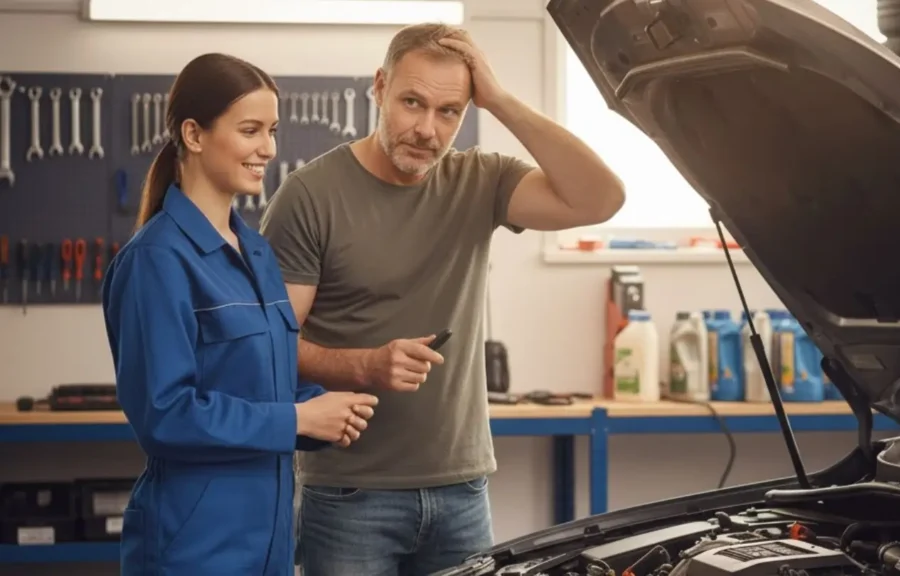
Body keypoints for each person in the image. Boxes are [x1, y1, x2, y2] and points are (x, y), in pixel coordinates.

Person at [259, 24, 625, 576]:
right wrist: (365, 365)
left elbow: (601, 198)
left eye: (450, 111)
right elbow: (268, 348)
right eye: (412, 102)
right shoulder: (310, 196)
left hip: (462, 490)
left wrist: (499, 99)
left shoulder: (480, 181)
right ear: (378, 88)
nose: (428, 129)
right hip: (350, 494)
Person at [100, 53, 380, 576]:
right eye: (250, 130)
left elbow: (258, 386)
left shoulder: (255, 253)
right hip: (194, 545)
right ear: (194, 134)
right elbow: (164, 414)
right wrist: (297, 418)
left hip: (268, 540)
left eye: (272, 130)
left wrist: (323, 413)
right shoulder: (156, 260)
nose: (268, 149)